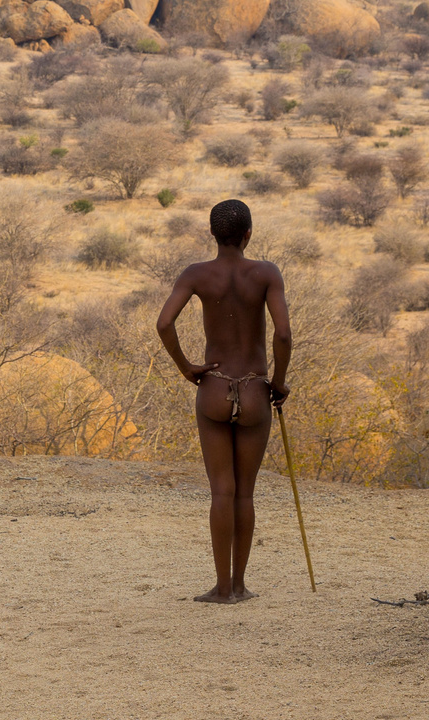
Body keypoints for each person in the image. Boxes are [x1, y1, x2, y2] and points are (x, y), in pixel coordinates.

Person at [155, 199, 292, 604]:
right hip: (254, 389)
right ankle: (241, 586)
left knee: (221, 492)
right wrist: (278, 384)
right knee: (245, 494)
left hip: (212, 387)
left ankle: (221, 588)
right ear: (248, 234)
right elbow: (282, 335)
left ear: (212, 235)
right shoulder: (266, 273)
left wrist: (186, 367)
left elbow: (164, 323)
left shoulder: (196, 275)